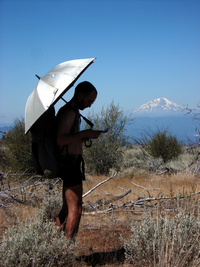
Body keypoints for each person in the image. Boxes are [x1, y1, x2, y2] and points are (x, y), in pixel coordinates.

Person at [56, 81, 101, 240]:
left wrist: (85, 136)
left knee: (67, 209)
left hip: (70, 162)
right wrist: (83, 134)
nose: (89, 105)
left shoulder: (71, 111)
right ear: (80, 95)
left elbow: (68, 139)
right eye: (89, 101)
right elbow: (60, 140)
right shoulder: (69, 112)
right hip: (70, 164)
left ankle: (55, 248)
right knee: (76, 209)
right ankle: (65, 252)